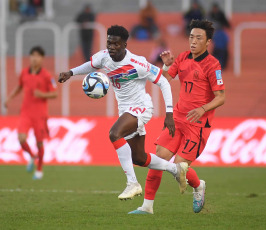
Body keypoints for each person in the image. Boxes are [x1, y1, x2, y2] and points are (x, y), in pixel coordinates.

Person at [58, 25, 188, 200]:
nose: (111, 47)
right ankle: (175, 169)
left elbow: (163, 82)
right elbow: (90, 65)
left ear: (125, 45)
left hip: (141, 107)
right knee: (139, 158)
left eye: (116, 44)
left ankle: (132, 183)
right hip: (125, 110)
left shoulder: (138, 63)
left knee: (114, 133)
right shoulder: (104, 57)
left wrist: (169, 113)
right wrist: (71, 72)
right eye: (109, 43)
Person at [129, 19, 225, 214]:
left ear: (208, 42)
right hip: (178, 120)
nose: (194, 41)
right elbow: (163, 80)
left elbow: (221, 97)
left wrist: (203, 109)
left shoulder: (212, 65)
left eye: (199, 38)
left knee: (179, 168)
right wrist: (165, 67)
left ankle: (198, 186)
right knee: (157, 160)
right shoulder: (182, 58)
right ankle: (147, 207)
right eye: (191, 37)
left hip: (197, 125)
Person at [5, 46, 58, 180]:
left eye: (37, 56)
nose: (34, 58)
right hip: (26, 112)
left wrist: (41, 94)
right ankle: (32, 156)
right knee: (21, 138)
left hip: (40, 115)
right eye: (32, 55)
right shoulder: (24, 72)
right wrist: (10, 98)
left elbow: (55, 94)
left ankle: (39, 169)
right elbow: (19, 86)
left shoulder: (46, 75)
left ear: (42, 58)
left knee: (39, 143)